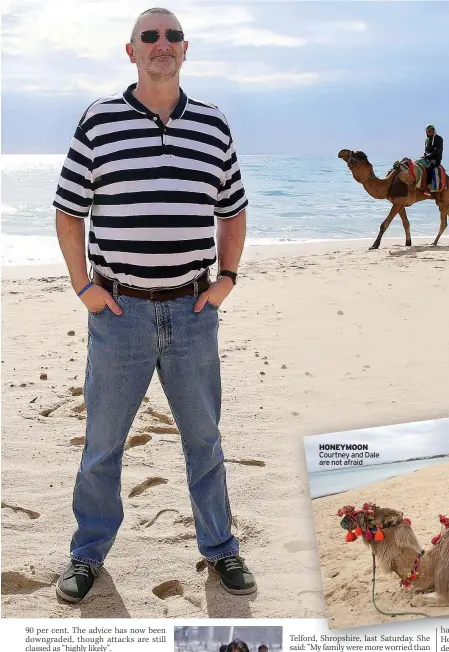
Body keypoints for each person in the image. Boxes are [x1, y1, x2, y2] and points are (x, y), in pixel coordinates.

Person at [53, 8, 255, 603]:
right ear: (132, 51)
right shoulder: (99, 121)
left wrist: (227, 279)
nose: (161, 45)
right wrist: (84, 287)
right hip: (121, 315)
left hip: (194, 313)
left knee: (205, 440)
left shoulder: (214, 125)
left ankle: (221, 550)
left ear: (185, 51)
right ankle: (87, 555)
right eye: (150, 36)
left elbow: (234, 209)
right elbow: (69, 212)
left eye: (171, 37)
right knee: (103, 443)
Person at [422, 124, 443, 194]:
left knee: (429, 168)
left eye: (430, 130)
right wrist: (425, 155)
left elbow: (437, 151)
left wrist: (427, 156)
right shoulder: (426, 140)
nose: (429, 132)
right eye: (427, 131)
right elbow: (426, 150)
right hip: (427, 158)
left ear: (434, 130)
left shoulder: (439, 139)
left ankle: (428, 188)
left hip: (435, 159)